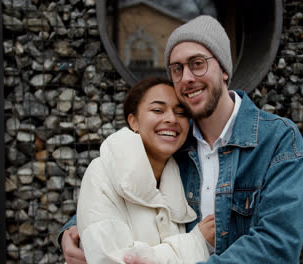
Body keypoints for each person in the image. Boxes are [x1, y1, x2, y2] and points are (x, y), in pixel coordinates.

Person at [59, 15, 303, 264]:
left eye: (197, 63)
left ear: (223, 69)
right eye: (177, 69)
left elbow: (278, 246)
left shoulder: (277, 139)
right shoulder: (174, 142)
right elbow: (124, 180)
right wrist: (74, 229)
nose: (187, 77)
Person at [74, 77, 214, 263]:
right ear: (133, 122)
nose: (171, 119)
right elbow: (111, 260)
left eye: (181, 113)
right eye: (157, 110)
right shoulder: (101, 174)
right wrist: (197, 243)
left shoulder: (183, 178)